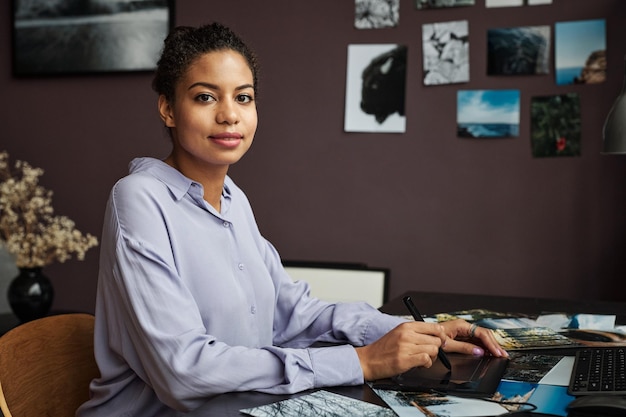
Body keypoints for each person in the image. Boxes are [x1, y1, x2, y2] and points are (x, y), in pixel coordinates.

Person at [76, 22, 507, 416]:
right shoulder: (138, 199)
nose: (229, 114)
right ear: (168, 109)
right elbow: (183, 370)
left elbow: (293, 314)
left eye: (243, 97)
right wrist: (360, 362)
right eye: (205, 96)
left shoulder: (233, 200)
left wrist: (414, 332)